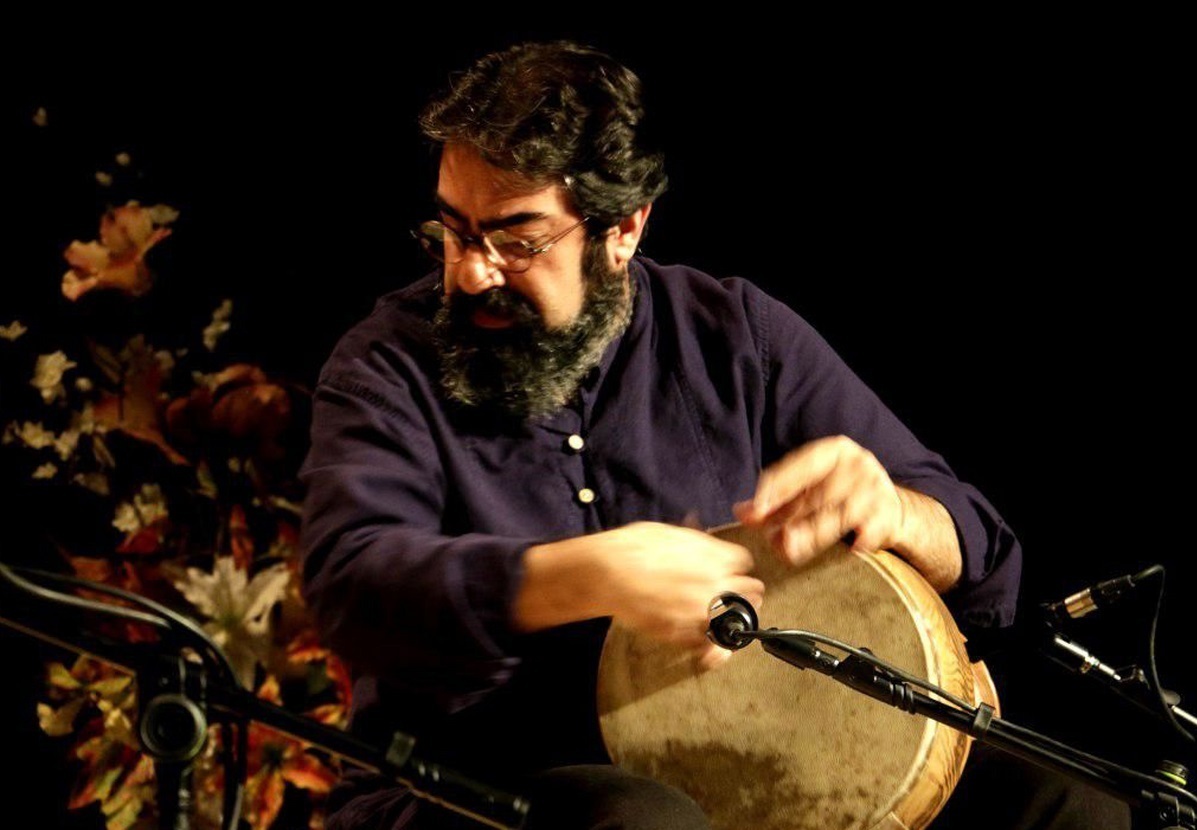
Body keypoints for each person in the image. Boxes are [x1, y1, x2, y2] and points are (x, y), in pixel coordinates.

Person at [300, 41, 1131, 829]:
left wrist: (902, 514)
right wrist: (584, 574)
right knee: (646, 820)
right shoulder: (385, 364)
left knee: (1071, 805)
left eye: (516, 241)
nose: (471, 270)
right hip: (483, 779)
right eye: (452, 230)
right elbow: (350, 581)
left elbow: (986, 562)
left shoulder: (734, 335)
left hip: (744, 758)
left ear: (624, 229)